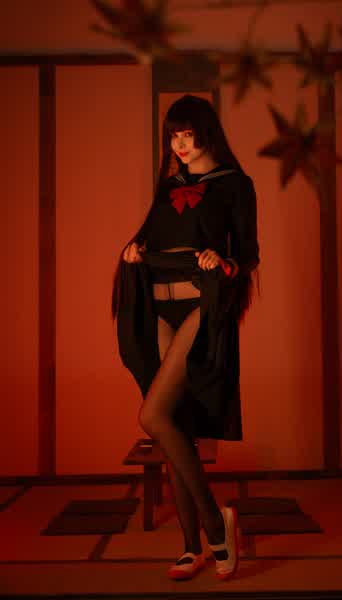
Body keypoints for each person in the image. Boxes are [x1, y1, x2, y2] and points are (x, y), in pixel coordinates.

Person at [111, 94, 260, 581]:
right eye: (173, 136)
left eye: (187, 134)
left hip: (199, 306)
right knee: (175, 422)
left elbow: (249, 255)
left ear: (207, 133)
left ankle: (217, 524)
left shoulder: (235, 183)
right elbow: (152, 239)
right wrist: (134, 251)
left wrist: (225, 261)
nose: (179, 144)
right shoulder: (169, 185)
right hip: (160, 307)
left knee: (152, 416)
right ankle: (192, 547)